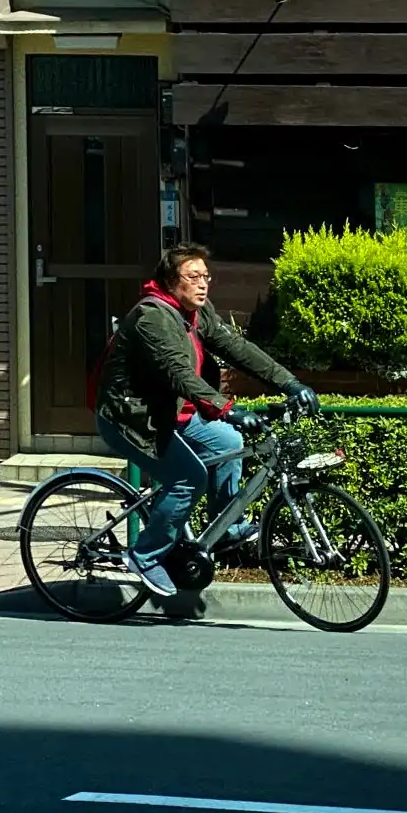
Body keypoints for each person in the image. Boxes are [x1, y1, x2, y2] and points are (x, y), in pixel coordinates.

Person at [95, 244, 317, 598]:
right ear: (170, 281)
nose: (203, 285)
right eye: (193, 277)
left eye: (205, 277)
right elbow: (179, 374)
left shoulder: (196, 312)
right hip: (132, 419)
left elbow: (236, 348)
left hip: (171, 413)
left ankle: (225, 526)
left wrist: (289, 382)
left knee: (229, 443)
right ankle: (146, 554)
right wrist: (225, 408)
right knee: (188, 477)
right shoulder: (153, 317)